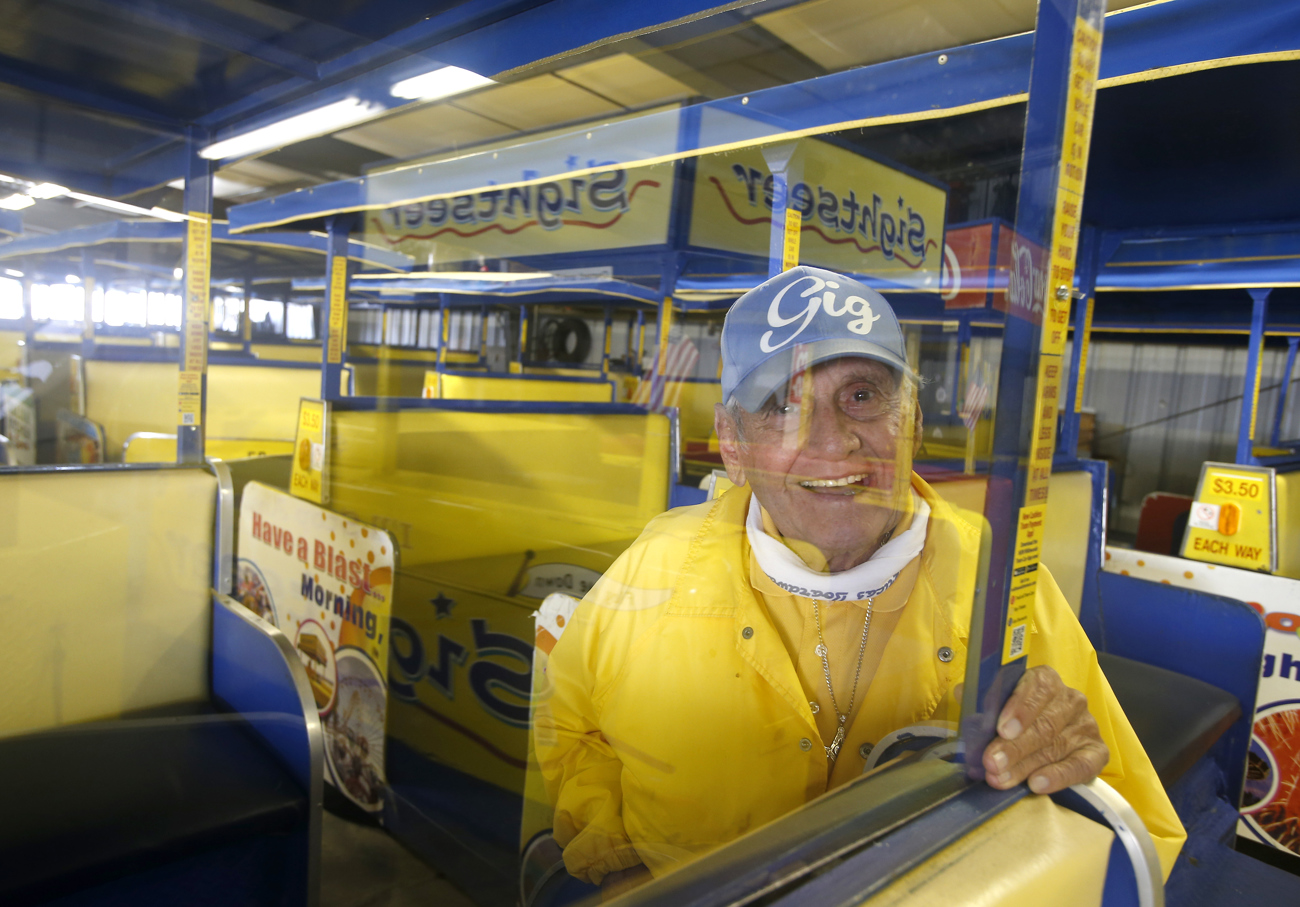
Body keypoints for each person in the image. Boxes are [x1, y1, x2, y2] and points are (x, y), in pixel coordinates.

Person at [535, 267, 1184, 896]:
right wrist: (620, 864)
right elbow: (572, 728)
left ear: (914, 421)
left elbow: (1127, 827)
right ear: (731, 444)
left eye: (863, 395)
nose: (831, 440)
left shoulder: (1002, 581)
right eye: (779, 404)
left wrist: (1068, 764)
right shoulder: (657, 565)